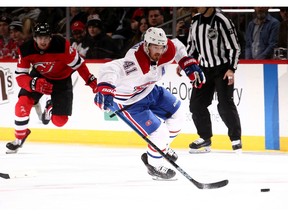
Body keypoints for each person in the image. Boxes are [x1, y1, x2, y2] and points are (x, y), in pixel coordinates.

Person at [94, 27, 206, 180]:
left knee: (179, 116)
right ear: (146, 45)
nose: (159, 51)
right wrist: (105, 88)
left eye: (161, 46)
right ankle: (154, 166)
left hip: (150, 90)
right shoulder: (134, 61)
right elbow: (110, 68)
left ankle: (162, 148)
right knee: (159, 133)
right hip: (130, 102)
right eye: (155, 47)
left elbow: (177, 45)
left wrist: (186, 62)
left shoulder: (165, 50)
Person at [6, 22, 97, 154]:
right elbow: (20, 76)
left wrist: (91, 81)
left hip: (62, 79)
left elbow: (79, 65)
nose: (43, 41)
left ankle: (50, 108)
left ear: (51, 37)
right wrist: (34, 83)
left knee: (60, 121)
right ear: (34, 38)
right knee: (22, 104)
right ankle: (19, 139)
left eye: (46, 38)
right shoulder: (26, 49)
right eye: (39, 38)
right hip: (39, 76)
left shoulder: (61, 45)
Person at [184, 7, 242, 153]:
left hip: (222, 69)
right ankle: (205, 139)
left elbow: (234, 47)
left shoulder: (222, 21)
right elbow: (191, 45)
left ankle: (236, 139)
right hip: (203, 69)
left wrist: (231, 68)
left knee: (225, 104)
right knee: (196, 105)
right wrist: (184, 62)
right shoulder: (195, 20)